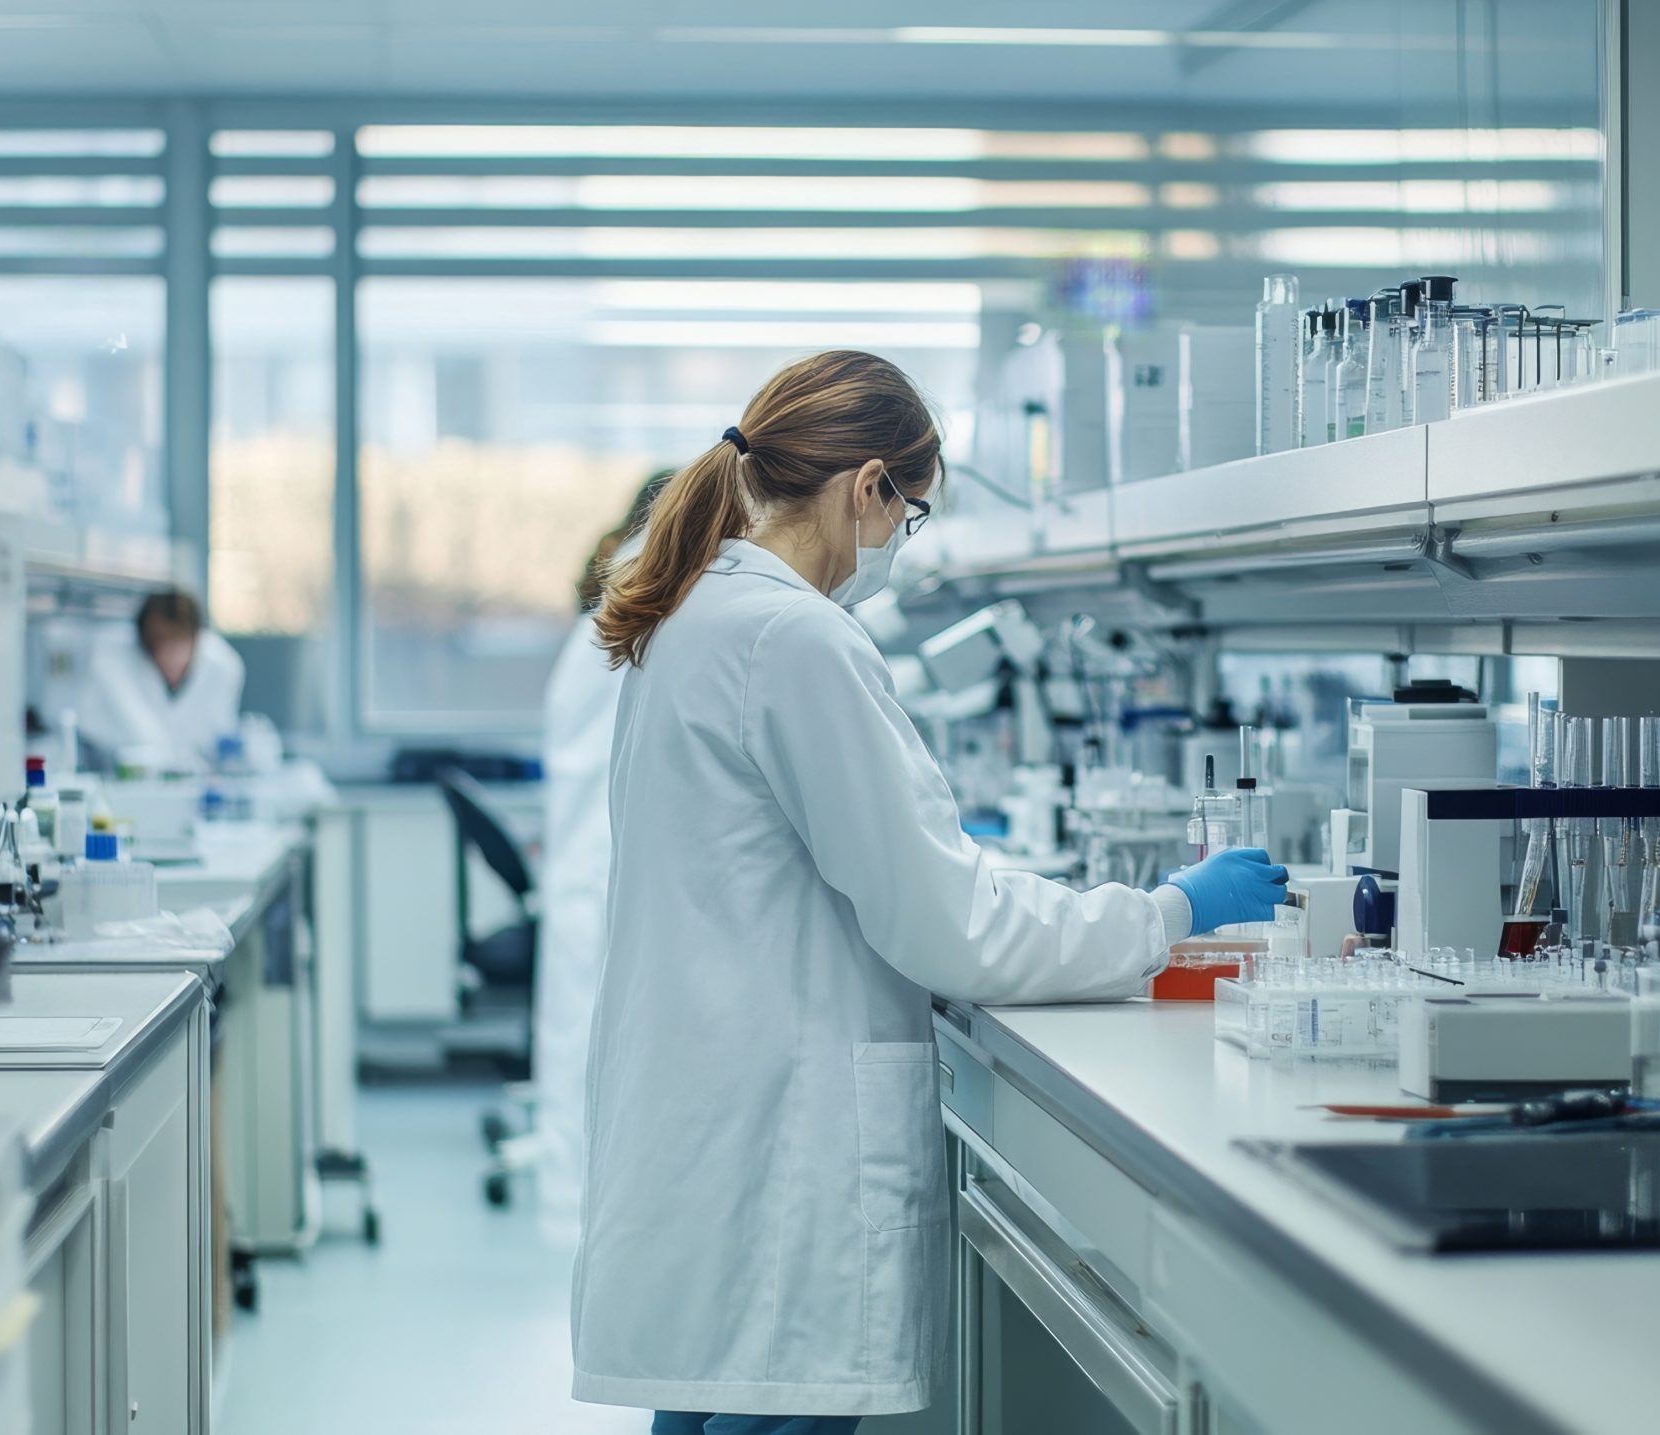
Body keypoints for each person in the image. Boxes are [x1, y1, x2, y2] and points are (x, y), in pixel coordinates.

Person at [571, 351, 1286, 1433]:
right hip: (780, 1134)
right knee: (767, 1400)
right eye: (911, 517)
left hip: (713, 1114)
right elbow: (946, 923)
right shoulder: (795, 637)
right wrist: (1167, 911)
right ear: (867, 487)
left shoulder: (695, 615)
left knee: (712, 1404)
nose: (902, 546)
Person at [533, 469, 676, 1249]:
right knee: (595, 1058)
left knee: (589, 1054)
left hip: (597, 861)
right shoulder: (642, 612)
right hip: (602, 865)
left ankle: (586, 1215)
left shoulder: (618, 603)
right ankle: (591, 1219)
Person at [78, 588, 246, 770]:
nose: (173, 662)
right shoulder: (112, 658)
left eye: (179, 648)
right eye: (164, 650)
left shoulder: (224, 666)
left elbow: (220, 735)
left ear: (197, 639)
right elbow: (134, 729)